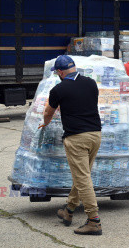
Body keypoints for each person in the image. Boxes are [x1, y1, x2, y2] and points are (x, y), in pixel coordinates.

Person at [40, 55, 103, 236]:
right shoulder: (91, 83)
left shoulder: (59, 89)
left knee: (82, 179)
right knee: (82, 174)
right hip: (95, 135)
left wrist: (45, 123)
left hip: (77, 138)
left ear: (60, 72)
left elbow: (48, 111)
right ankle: (68, 211)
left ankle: (94, 221)